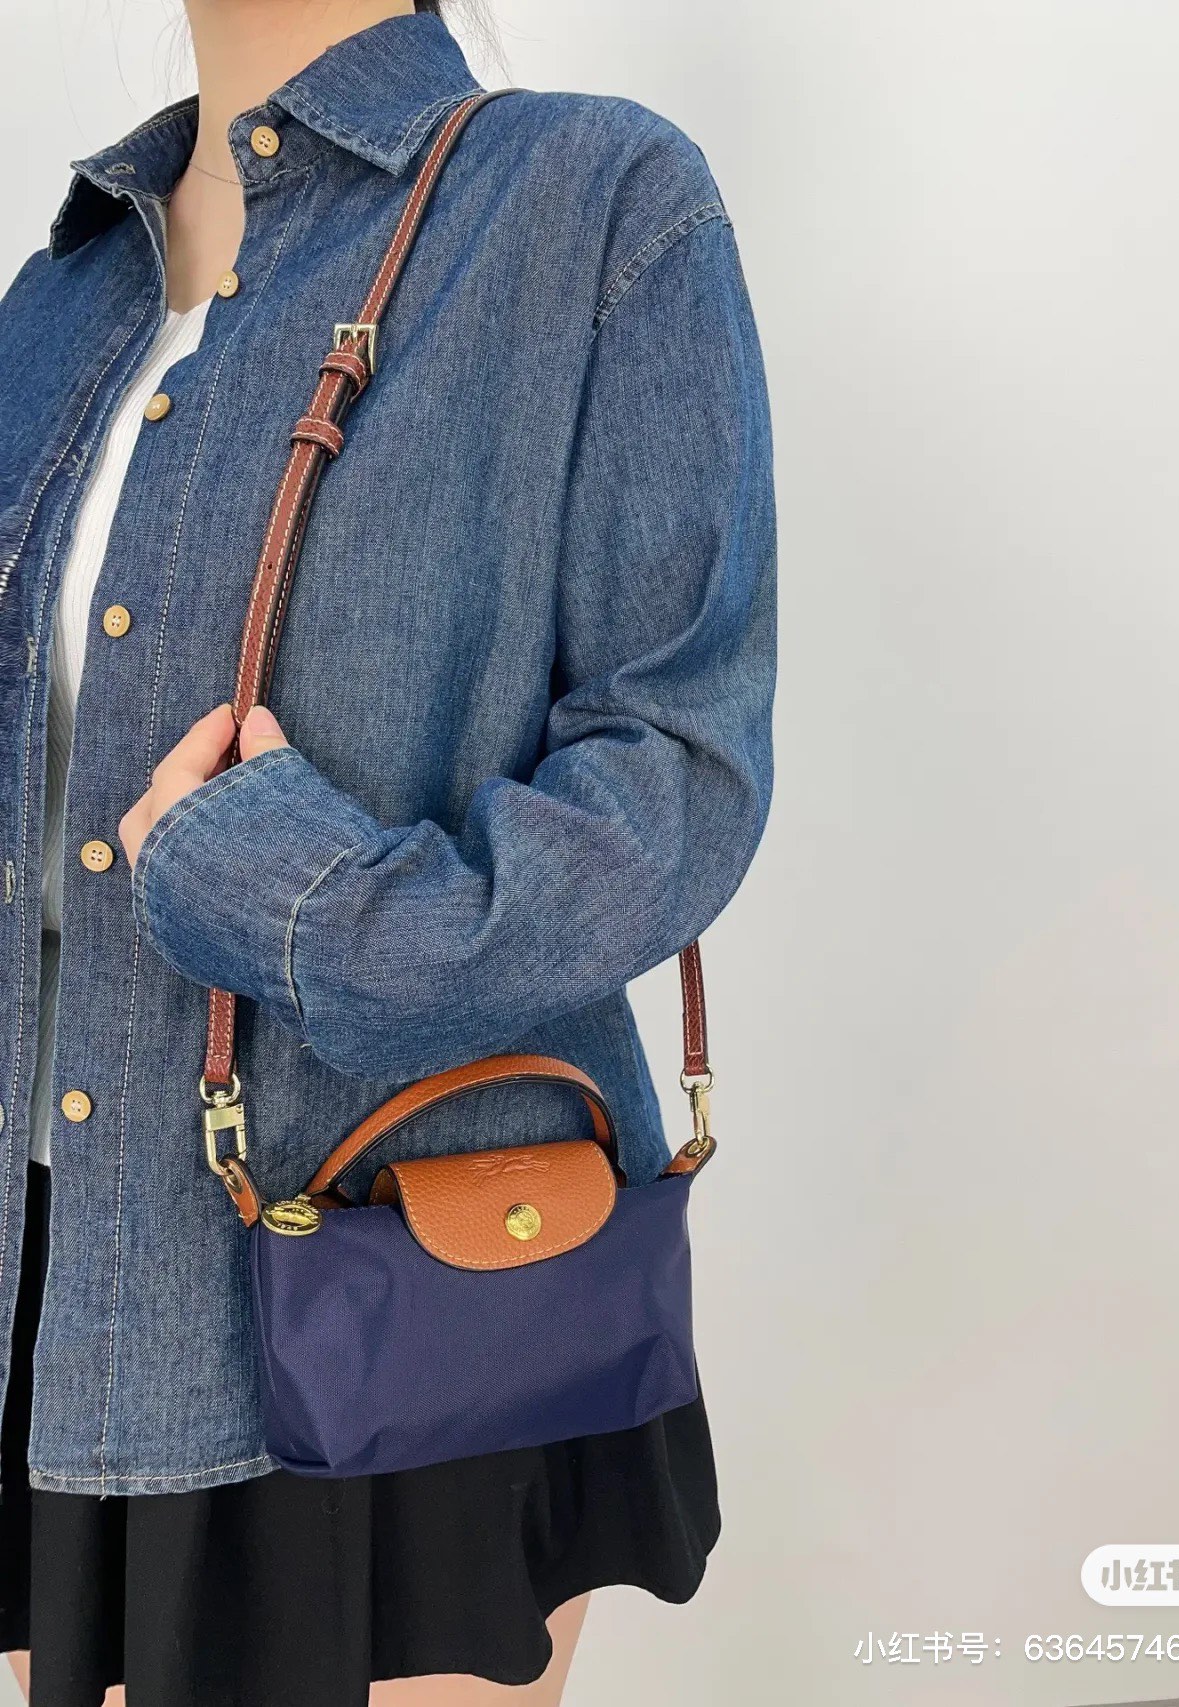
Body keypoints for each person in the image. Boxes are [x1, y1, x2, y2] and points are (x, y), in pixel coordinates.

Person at [0, 0, 776, 1701]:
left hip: (407, 1281)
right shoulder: (63, 295)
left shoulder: (589, 202)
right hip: (48, 1277)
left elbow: (679, 773)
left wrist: (295, 898)